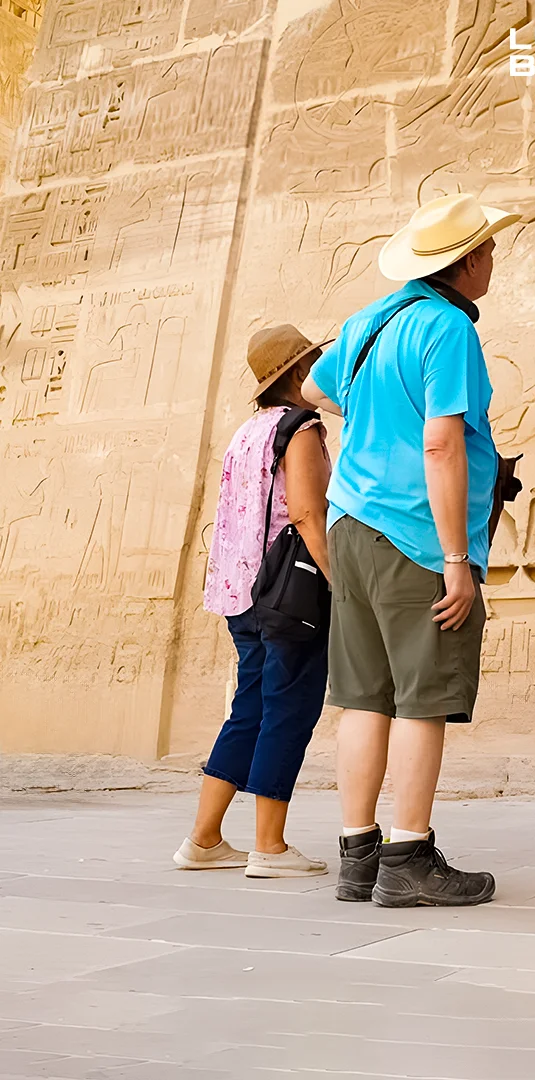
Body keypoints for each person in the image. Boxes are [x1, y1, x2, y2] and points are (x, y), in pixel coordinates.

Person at [302, 192, 520, 908]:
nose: (492, 260)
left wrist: (370, 420)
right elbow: (441, 440)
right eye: (487, 252)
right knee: (422, 700)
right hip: (415, 533)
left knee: (365, 698)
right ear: (465, 264)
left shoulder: (371, 318)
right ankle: (408, 858)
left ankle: (357, 853)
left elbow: (312, 385)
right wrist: (458, 560)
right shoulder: (447, 327)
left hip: (352, 524)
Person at [174, 325, 335, 877]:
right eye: (312, 365)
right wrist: (340, 581)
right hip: (288, 592)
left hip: (240, 591)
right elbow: (309, 514)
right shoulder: (301, 429)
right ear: (296, 374)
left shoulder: (247, 432)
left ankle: (204, 838)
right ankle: (269, 845)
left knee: (250, 706)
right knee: (289, 707)